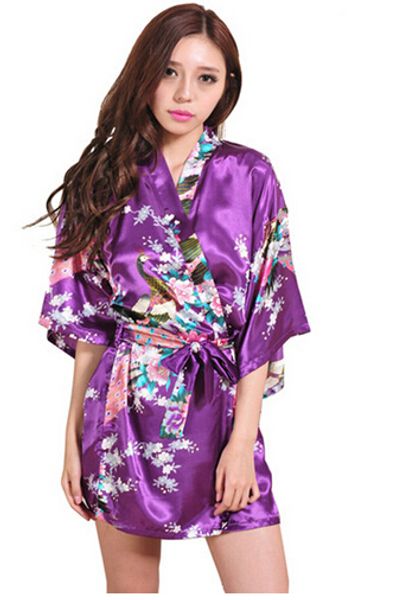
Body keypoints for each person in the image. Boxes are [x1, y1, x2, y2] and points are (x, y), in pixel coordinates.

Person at [28, 3, 311, 593]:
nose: (185, 94)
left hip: (220, 410)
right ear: (146, 73)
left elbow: (264, 318)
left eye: (206, 78)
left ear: (226, 87)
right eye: (170, 72)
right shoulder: (101, 181)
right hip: (123, 414)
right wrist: (71, 443)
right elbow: (91, 329)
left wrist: (242, 442)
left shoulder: (250, 175)